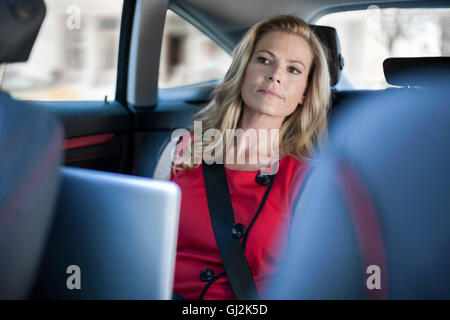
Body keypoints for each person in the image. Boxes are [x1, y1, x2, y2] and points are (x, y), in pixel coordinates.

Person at [167, 15, 331, 300]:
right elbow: (144, 238)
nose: (275, 75)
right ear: (244, 70)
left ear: (304, 93)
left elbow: (315, 284)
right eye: (265, 60)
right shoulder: (184, 149)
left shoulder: (308, 179)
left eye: (293, 70)